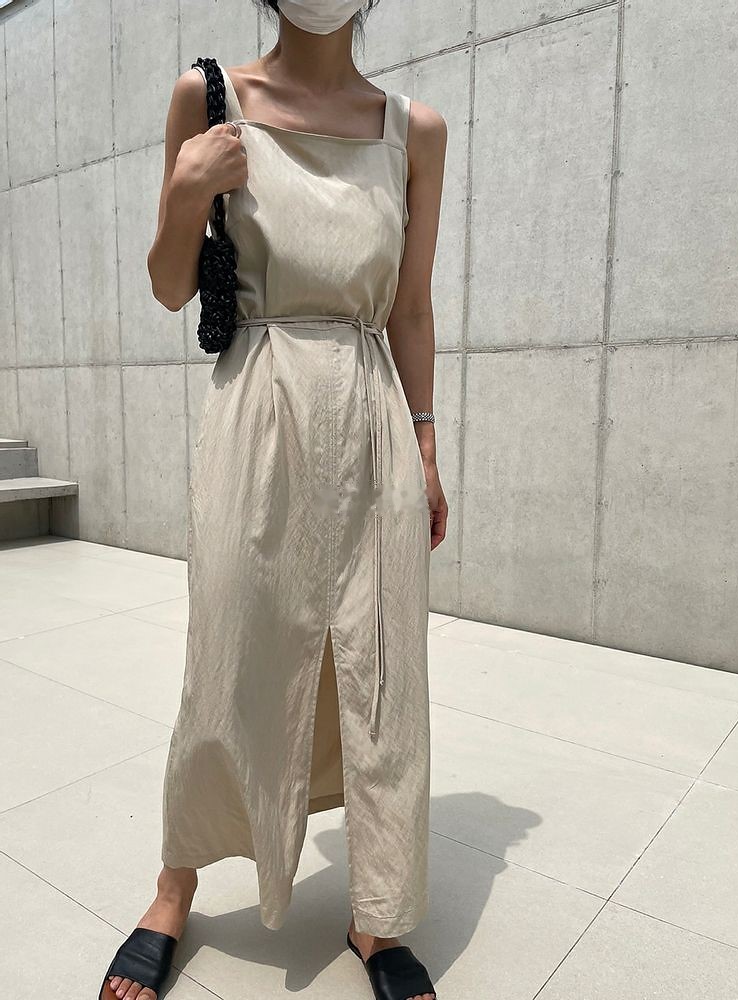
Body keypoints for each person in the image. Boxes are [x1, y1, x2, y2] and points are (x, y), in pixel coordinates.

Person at [98, 2, 448, 998]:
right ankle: (174, 884)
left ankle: (376, 916)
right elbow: (169, 285)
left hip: (373, 417)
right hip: (257, 410)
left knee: (381, 670)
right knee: (230, 648)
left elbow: (411, 304)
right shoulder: (209, 99)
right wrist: (187, 188)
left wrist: (427, 444)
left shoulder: (413, 130)